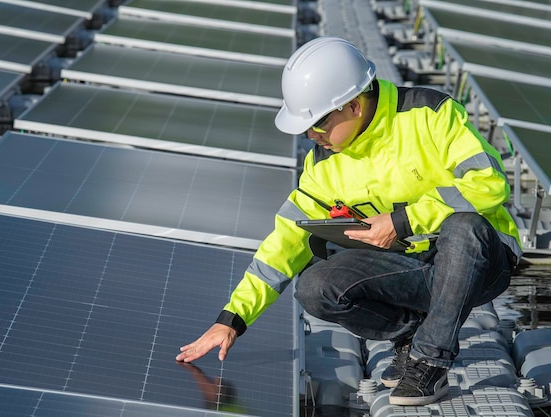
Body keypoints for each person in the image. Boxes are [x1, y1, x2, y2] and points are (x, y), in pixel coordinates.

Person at [176, 36, 521, 406]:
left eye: (318, 123)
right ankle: (409, 334)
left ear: (354, 106)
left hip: (480, 263)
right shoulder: (324, 165)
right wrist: (232, 318)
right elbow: (285, 240)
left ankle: (428, 362)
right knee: (316, 286)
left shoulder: (430, 113)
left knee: (464, 227)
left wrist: (403, 221)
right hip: (414, 269)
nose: (311, 135)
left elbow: (488, 183)